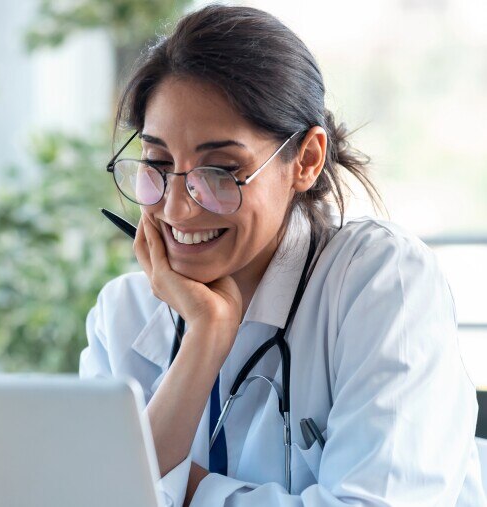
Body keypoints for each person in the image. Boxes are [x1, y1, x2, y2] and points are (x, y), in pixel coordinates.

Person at [79, 5, 485, 506]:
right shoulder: (124, 315)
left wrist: (194, 491)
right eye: (158, 163)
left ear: (306, 160)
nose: (178, 207)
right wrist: (204, 338)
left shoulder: (380, 281)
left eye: (221, 170)